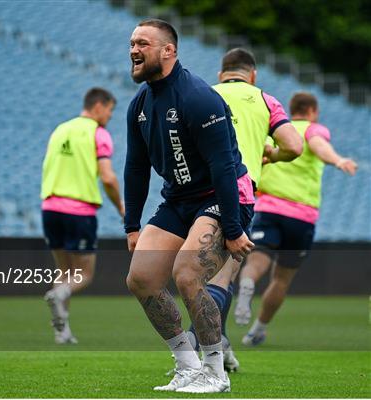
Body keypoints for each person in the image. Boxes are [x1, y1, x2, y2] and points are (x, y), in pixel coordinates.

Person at [125, 19, 255, 393]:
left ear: (169, 51)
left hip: (222, 196)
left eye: (143, 43)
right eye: (132, 43)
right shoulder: (140, 105)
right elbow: (135, 167)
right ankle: (187, 364)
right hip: (178, 200)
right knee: (141, 279)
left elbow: (224, 168)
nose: (134, 50)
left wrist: (232, 229)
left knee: (186, 273)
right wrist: (132, 225)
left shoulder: (199, 97)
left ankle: (215, 372)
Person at [186, 48, 303, 372]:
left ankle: (219, 344)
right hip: (236, 194)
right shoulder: (264, 99)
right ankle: (196, 345)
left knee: (196, 276)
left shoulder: (202, 95)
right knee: (222, 277)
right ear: (252, 75)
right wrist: (271, 155)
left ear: (222, 73)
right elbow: (294, 146)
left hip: (192, 195)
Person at [234, 92, 358, 345]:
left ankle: (246, 287)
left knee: (257, 262)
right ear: (312, 111)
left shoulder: (279, 132)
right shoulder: (314, 130)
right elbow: (319, 147)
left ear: (292, 109)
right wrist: (338, 159)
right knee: (281, 278)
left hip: (268, 209)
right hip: (301, 217)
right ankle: (257, 329)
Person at [41, 87, 124, 344]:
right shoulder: (98, 134)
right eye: (109, 110)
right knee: (83, 275)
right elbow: (108, 178)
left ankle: (61, 331)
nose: (109, 116)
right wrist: (121, 206)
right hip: (79, 211)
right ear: (98, 106)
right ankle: (59, 295)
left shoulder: (60, 130)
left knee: (64, 270)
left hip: (50, 209)